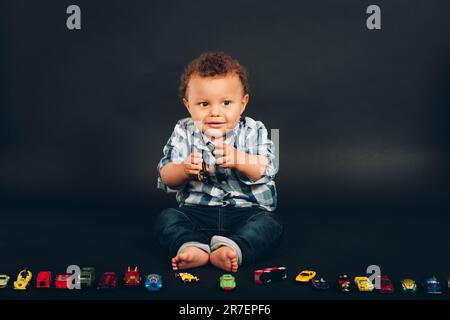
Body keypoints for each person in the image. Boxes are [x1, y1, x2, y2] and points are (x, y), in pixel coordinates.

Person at [154, 52, 282, 272]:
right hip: (197, 212)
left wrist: (240, 159)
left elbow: (266, 168)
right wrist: (183, 169)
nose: (215, 112)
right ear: (188, 105)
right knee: (167, 218)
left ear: (243, 104)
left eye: (226, 103)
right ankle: (192, 246)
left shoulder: (253, 130)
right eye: (204, 104)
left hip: (246, 212)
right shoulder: (183, 131)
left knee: (270, 225)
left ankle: (233, 248)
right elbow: (166, 175)